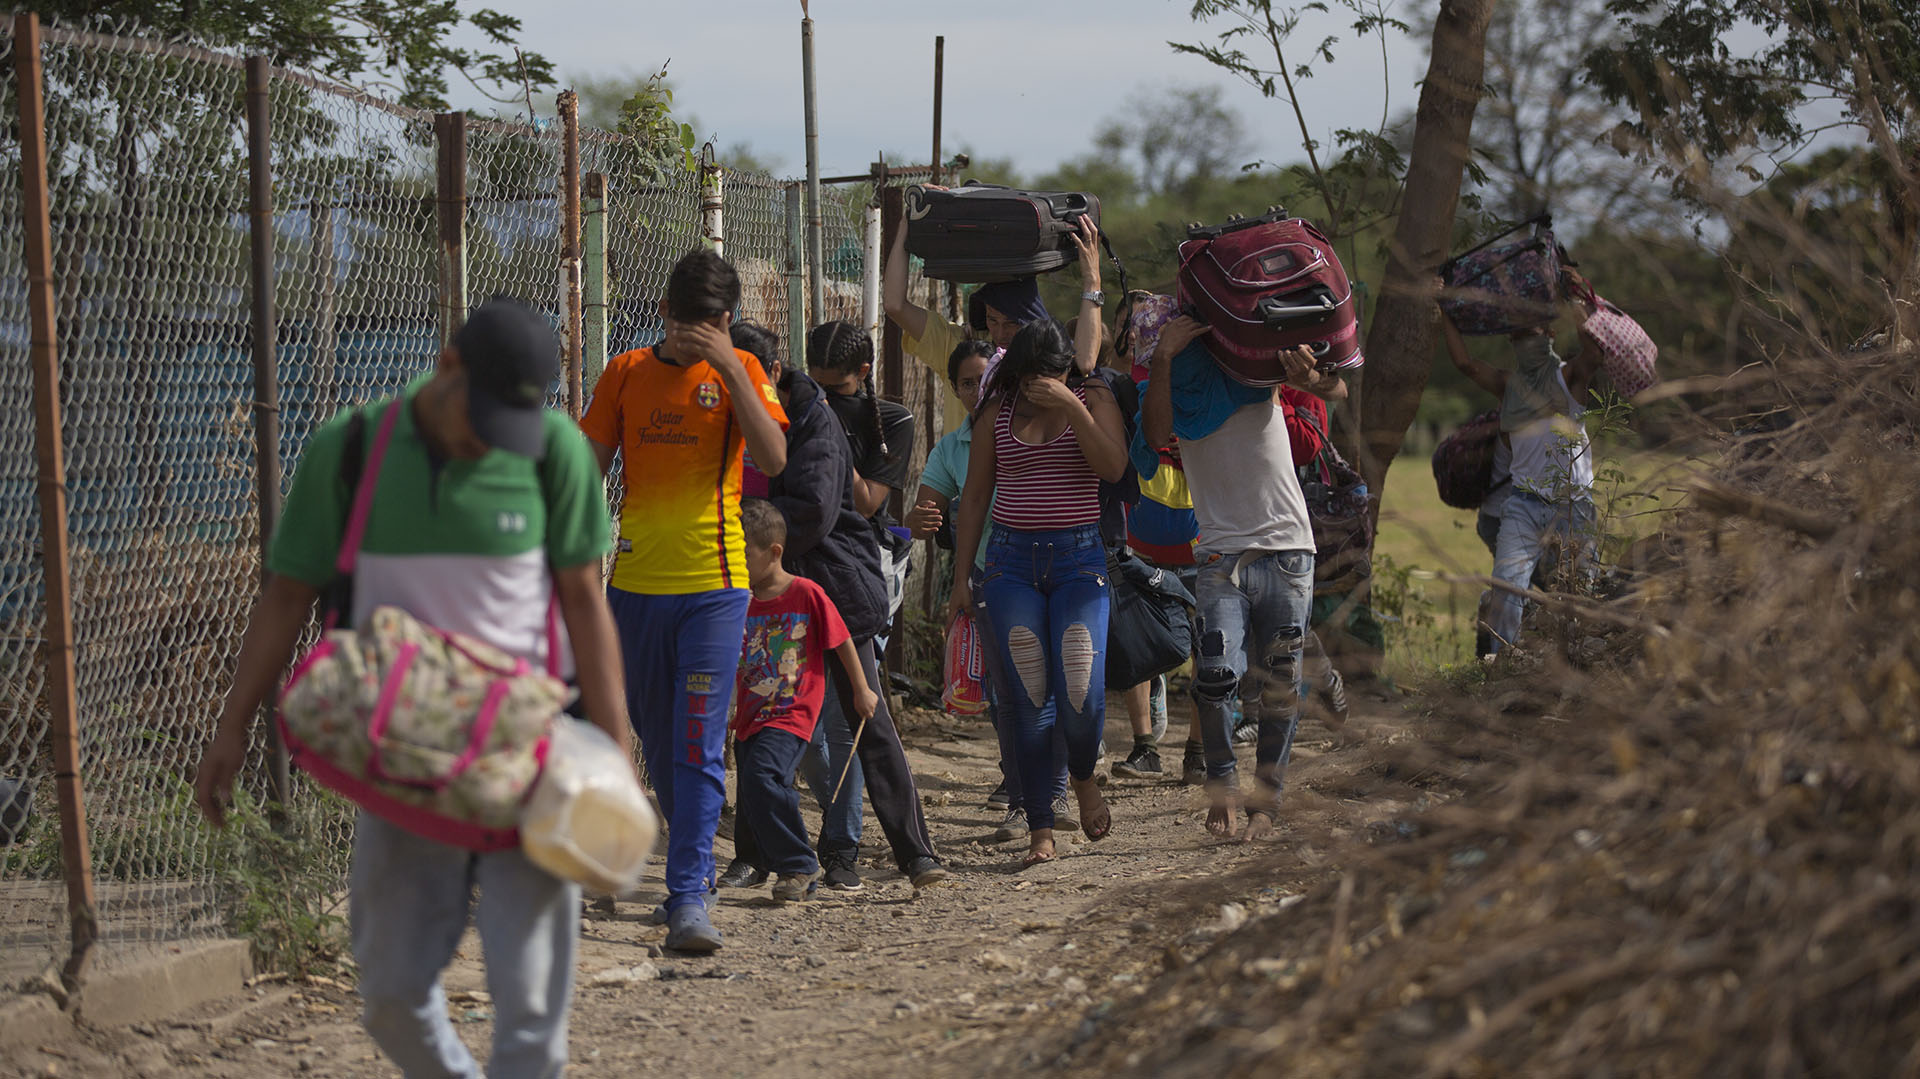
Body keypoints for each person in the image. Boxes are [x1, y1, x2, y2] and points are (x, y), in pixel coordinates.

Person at [193, 298, 627, 1078]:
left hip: (527, 760)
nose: (490, 442)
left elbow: (584, 600)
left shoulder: (553, 450)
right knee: (389, 997)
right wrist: (231, 726)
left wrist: (613, 751)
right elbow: (288, 595)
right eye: (483, 420)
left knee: (532, 1019)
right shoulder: (352, 448)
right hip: (405, 760)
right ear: (447, 369)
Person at [579, 247, 790, 954]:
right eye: (683, 320)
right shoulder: (626, 373)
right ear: (662, 310)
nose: (691, 334)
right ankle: (684, 859)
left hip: (715, 589)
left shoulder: (743, 373)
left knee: (699, 744)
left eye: (710, 324)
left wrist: (729, 363)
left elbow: (772, 459)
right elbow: (586, 472)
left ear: (726, 321)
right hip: (634, 590)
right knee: (658, 741)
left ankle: (688, 896)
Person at [719, 323, 948, 892]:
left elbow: (816, 511)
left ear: (771, 374)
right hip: (755, 586)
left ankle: (914, 853)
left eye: (746, 376)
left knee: (868, 722)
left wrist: (740, 537)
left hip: (823, 589)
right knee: (754, 722)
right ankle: (753, 855)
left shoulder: (813, 418)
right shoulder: (724, 406)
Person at [949, 227, 1128, 867]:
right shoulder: (996, 413)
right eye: (1026, 379)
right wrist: (961, 575)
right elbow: (973, 499)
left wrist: (1074, 408)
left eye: (1047, 378)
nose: (1036, 389)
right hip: (1012, 566)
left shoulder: (1090, 396)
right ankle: (1041, 827)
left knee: (1079, 690)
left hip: (1080, 562)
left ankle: (1083, 774)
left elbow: (1111, 469)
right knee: (1026, 694)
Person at [1141, 315, 1342, 842]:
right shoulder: (1175, 383)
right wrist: (1162, 357)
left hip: (1289, 551)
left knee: (1280, 685)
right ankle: (1223, 784)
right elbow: (1155, 433)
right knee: (1214, 677)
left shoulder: (1255, 363)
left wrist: (1307, 376)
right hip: (1220, 559)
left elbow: (1336, 385)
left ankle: (1266, 802)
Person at [727, 498, 877, 901]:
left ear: (774, 552)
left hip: (793, 711)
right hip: (752, 716)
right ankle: (790, 866)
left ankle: (798, 864)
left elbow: (842, 639)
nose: (735, 562)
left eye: (743, 553)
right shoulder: (739, 601)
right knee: (759, 787)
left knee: (764, 777)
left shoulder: (806, 593)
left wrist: (862, 689)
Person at [1440, 307, 1602, 656]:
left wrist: (1578, 308)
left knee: (1581, 595)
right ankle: (1503, 666)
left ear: (1550, 335)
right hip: (1524, 505)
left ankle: (1581, 667)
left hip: (1573, 507)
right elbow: (1466, 364)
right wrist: (1445, 313)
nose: (1525, 342)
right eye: (1518, 336)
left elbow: (1594, 354)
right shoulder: (1509, 385)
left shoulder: (1568, 378)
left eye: (1533, 334)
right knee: (1506, 589)